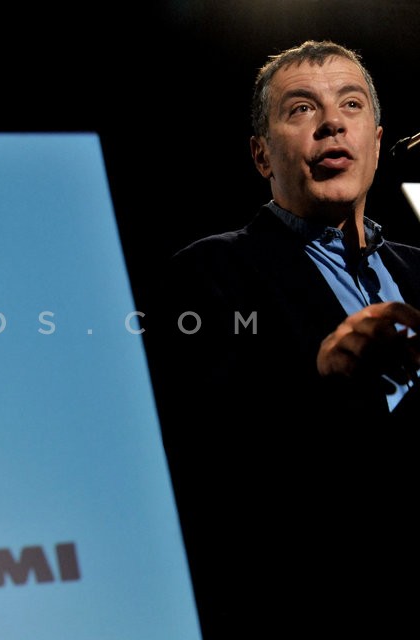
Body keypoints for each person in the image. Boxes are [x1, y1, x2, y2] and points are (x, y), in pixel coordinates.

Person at [145, 40, 420, 637]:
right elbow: (202, 456)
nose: (331, 123)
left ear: (377, 141)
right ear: (261, 155)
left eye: (351, 104)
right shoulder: (208, 271)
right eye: (301, 109)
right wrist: (320, 375)